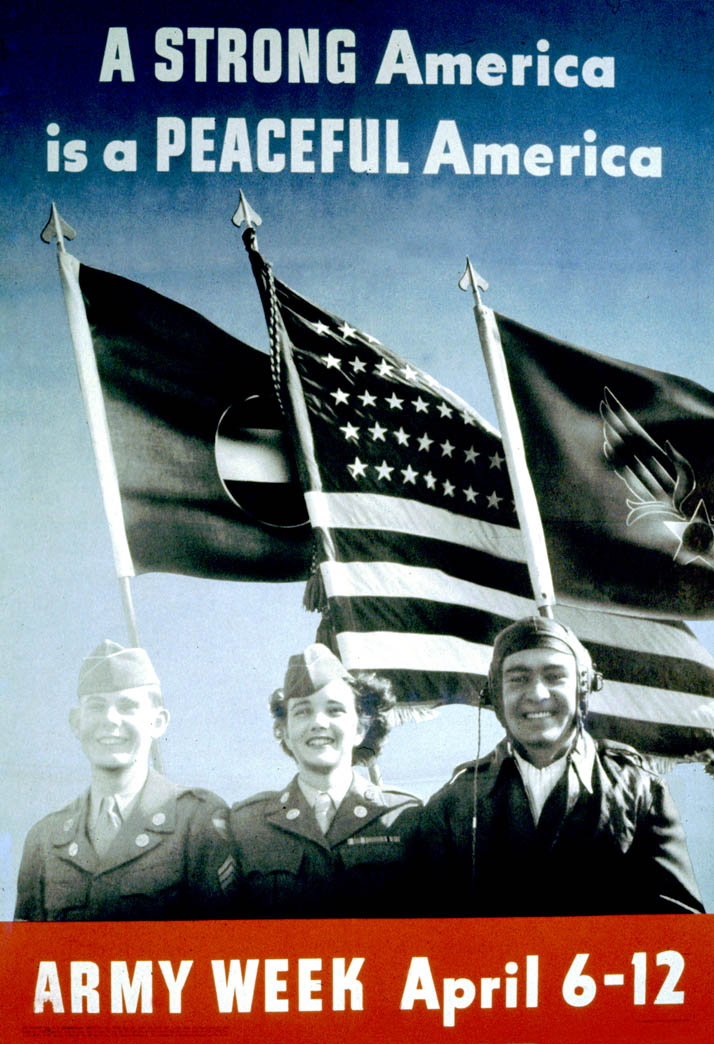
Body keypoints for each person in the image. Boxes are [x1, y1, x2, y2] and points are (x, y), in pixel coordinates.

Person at [414, 615, 704, 916]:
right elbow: (433, 936)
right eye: (518, 678)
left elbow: (679, 931)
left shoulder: (639, 789)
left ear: (582, 689)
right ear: (496, 693)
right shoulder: (453, 804)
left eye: (554, 677)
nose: (537, 694)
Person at [15, 639, 235, 920]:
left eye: (127, 706)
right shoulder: (44, 839)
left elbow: (224, 950)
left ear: (158, 722)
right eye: (96, 706)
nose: (110, 719)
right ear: (76, 722)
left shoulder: (197, 821)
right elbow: (28, 958)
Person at [228, 642, 421, 917]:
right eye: (302, 711)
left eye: (335, 710)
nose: (319, 722)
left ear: (361, 729)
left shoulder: (405, 817)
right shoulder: (245, 826)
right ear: (284, 731)